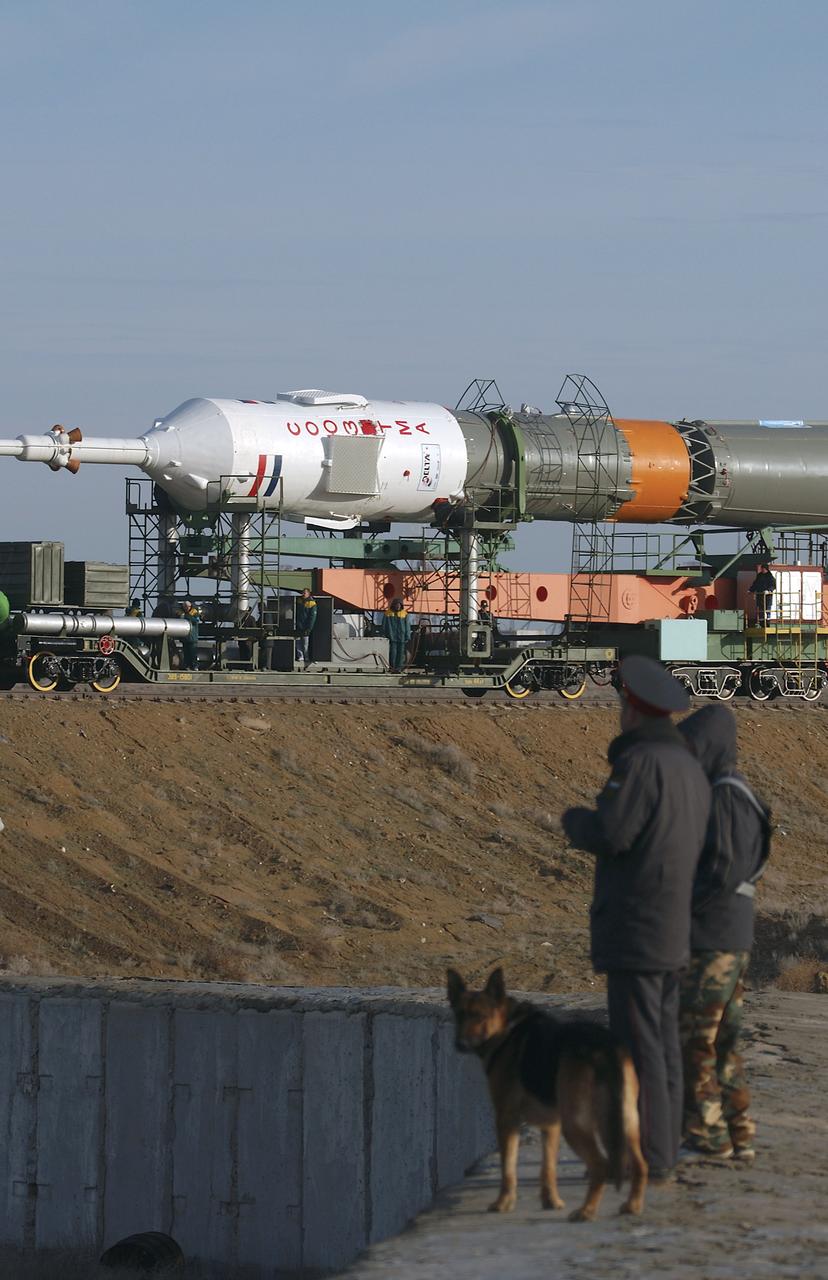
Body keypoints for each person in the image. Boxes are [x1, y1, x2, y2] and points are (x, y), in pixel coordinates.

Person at [561, 655, 711, 1182]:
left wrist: (576, 821)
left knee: (637, 1048)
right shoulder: (689, 767)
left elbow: (614, 833)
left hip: (639, 930)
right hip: (671, 930)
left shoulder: (642, 764)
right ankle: (662, 1151)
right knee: (664, 1047)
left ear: (633, 710)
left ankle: (640, 1156)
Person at [678, 705, 771, 1162]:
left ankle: (709, 1138)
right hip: (732, 934)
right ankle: (741, 1136)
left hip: (714, 937)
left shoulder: (725, 796)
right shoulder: (732, 793)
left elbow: (721, 867)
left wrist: (681, 905)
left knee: (696, 1039)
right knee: (726, 1044)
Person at [382, 597, 411, 672]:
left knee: (400, 653)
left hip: (401, 637)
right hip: (391, 637)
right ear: (393, 605)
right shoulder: (388, 613)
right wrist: (384, 634)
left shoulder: (404, 614)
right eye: (396, 605)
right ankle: (392, 667)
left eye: (399, 605)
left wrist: (408, 636)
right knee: (393, 653)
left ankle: (398, 668)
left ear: (401, 605)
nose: (398, 606)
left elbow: (407, 626)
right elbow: (384, 625)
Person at [294, 588, 317, 667]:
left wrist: (309, 628)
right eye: (303, 593)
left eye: (305, 593)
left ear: (308, 593)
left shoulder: (311, 603)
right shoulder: (299, 601)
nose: (303, 594)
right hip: (298, 625)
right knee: (298, 642)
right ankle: (300, 656)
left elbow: (312, 617)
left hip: (305, 627)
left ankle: (306, 657)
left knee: (305, 644)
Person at [179, 600, 200, 670]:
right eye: (184, 607)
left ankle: (195, 666)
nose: (186, 608)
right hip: (185, 637)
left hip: (192, 637)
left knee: (193, 653)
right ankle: (187, 666)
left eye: (187, 607)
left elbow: (196, 621)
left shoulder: (194, 612)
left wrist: (187, 616)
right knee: (186, 653)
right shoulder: (182, 613)